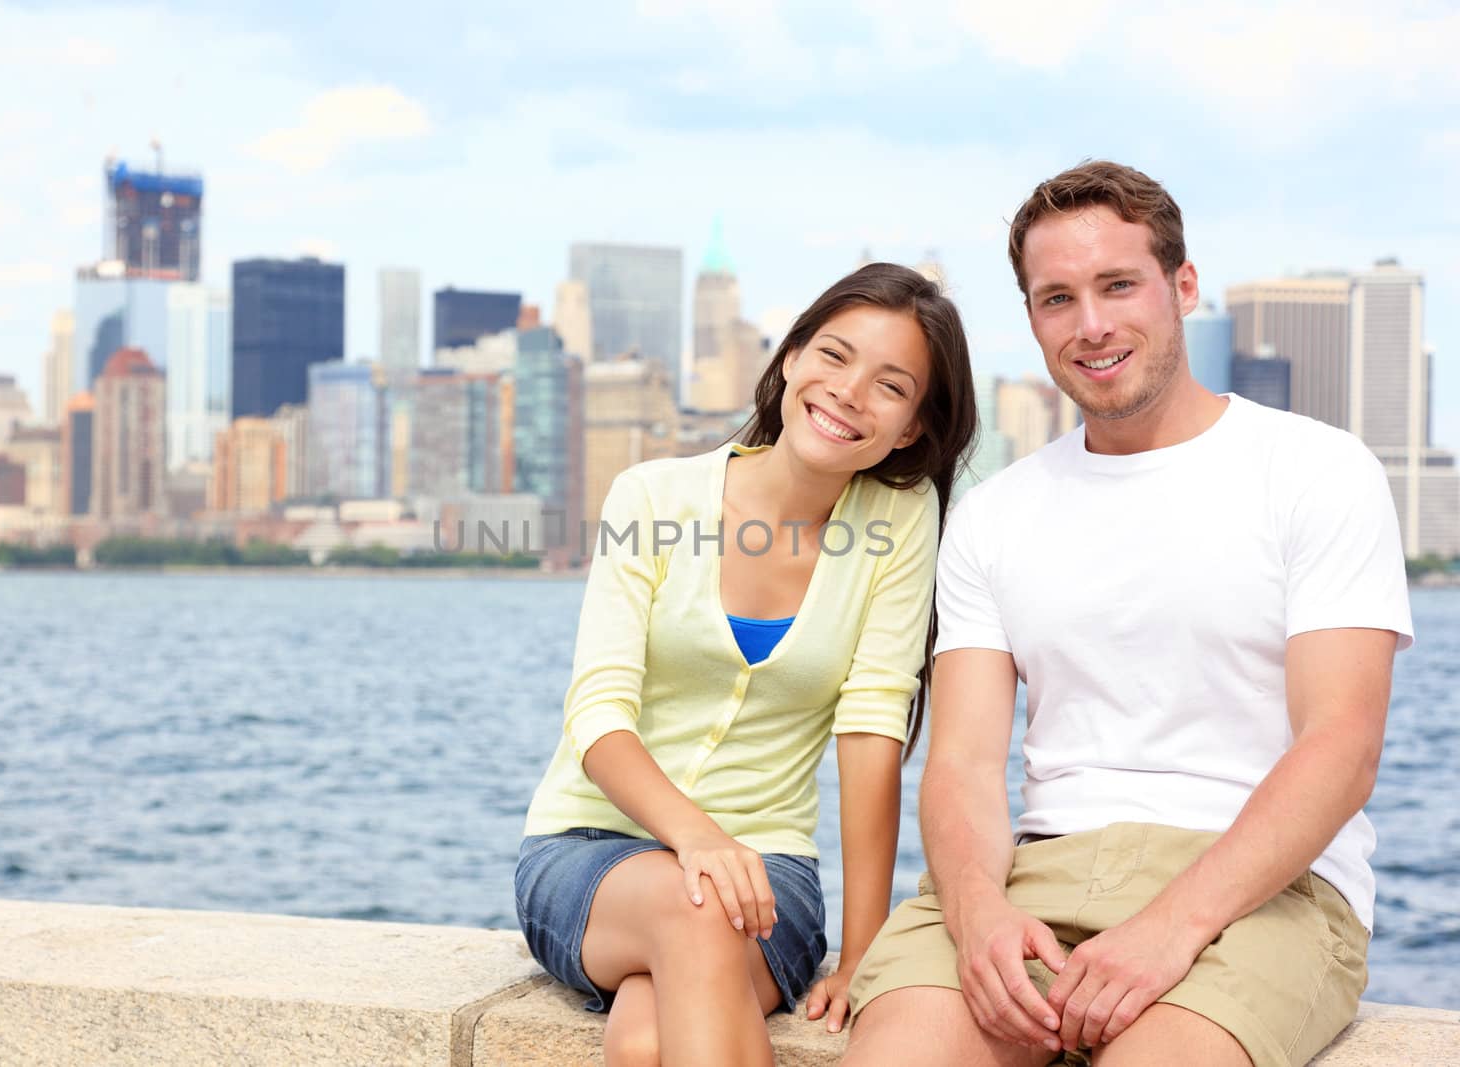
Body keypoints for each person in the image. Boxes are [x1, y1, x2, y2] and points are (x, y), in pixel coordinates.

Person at [842, 161, 1414, 1067]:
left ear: (1183, 287)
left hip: (1264, 891)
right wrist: (979, 908)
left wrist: (1170, 926)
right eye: (1056, 298)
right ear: (1032, 319)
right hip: (1039, 870)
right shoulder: (993, 514)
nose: (1092, 324)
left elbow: (1341, 744)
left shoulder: (1318, 470)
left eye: (1118, 285)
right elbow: (958, 762)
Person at [515, 263, 979, 1066]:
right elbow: (597, 717)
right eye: (833, 356)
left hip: (772, 880)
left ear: (909, 427)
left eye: (890, 385)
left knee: (644, 1038)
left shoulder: (902, 521)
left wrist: (862, 948)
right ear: (791, 356)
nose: (848, 392)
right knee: (695, 908)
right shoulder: (652, 497)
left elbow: (872, 726)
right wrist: (698, 840)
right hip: (586, 853)